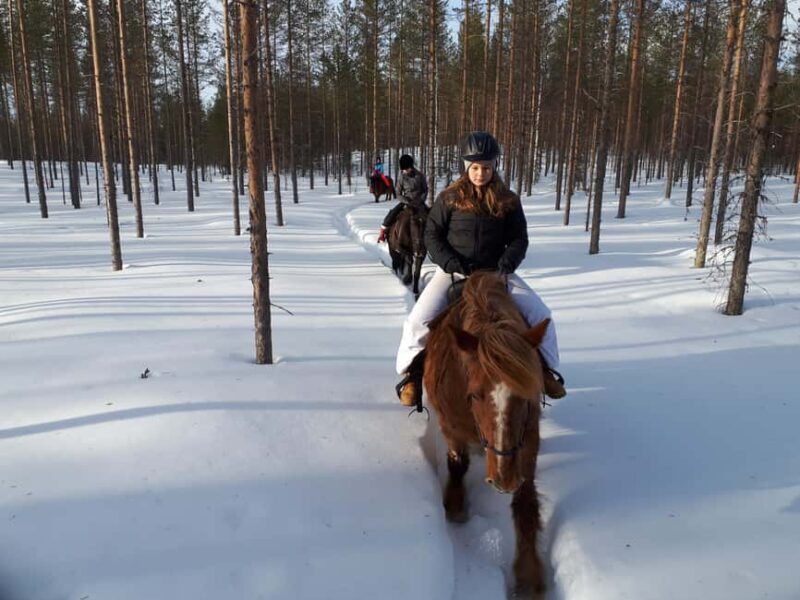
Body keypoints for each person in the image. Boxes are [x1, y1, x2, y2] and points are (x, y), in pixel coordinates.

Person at [394, 131, 566, 407]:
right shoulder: (448, 197)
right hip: (454, 272)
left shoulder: (508, 200)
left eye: (486, 167)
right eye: (474, 167)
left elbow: (519, 238)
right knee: (417, 321)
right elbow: (432, 235)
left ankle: (545, 370)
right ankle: (411, 376)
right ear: (466, 167)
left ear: (494, 166)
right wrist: (451, 263)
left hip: (496, 273)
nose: (480, 173)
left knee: (541, 315)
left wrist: (506, 265)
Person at [377, 154, 428, 243]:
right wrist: (406, 201)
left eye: (406, 169)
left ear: (411, 167)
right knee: (392, 213)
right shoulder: (402, 177)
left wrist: (420, 200)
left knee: (431, 216)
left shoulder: (420, 175)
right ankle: (382, 232)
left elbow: (425, 190)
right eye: (403, 169)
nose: (405, 171)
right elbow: (397, 193)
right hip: (406, 202)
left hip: (419, 202)